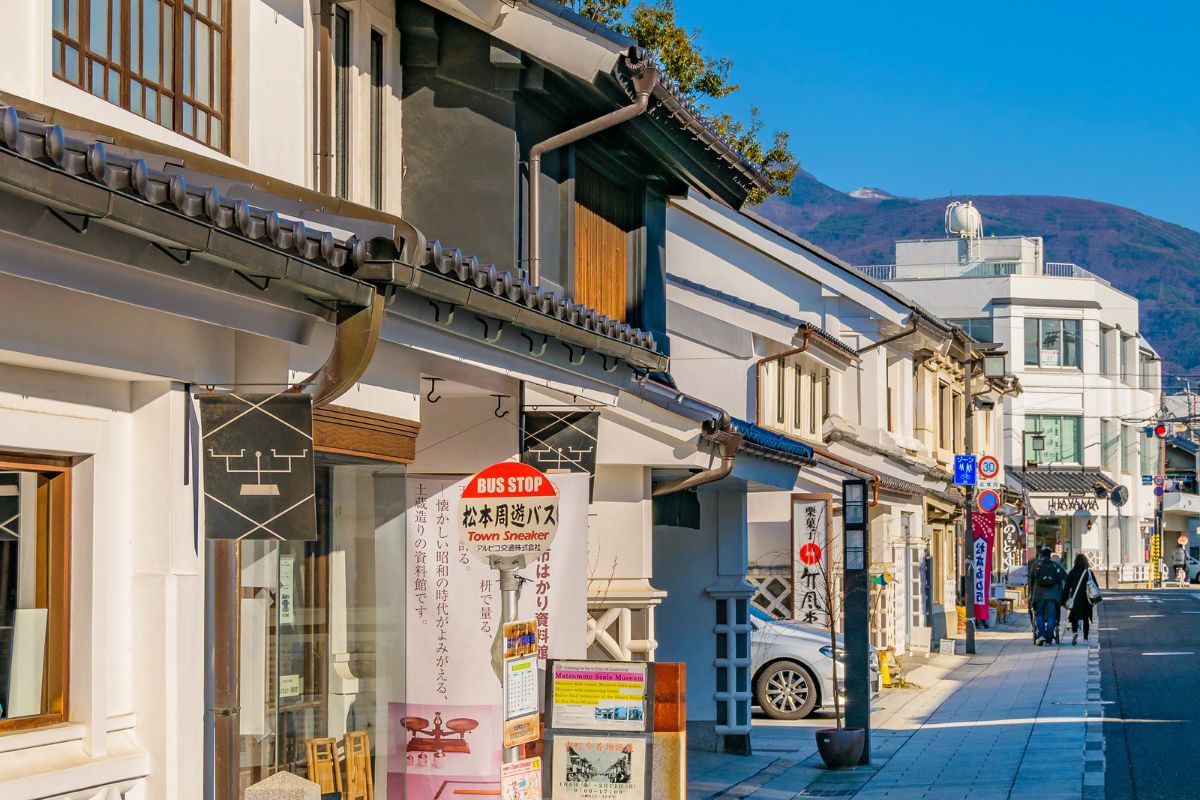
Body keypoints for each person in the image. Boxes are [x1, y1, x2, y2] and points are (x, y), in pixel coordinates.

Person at [1029, 547, 1067, 645]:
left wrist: (1031, 593)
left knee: (1040, 614)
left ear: (1041, 555)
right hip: (1053, 595)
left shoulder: (1035, 565)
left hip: (1039, 595)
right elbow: (1065, 577)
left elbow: (1031, 581)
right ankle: (1049, 639)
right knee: (1051, 616)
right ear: (1050, 555)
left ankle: (1041, 635)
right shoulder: (1056, 566)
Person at [1064, 553, 1096, 645]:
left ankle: (1075, 632)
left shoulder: (1072, 572)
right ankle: (1085, 638)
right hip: (1086, 599)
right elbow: (1095, 586)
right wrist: (1094, 599)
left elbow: (1067, 587)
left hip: (1075, 599)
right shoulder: (1089, 572)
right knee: (1086, 619)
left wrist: (1064, 599)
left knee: (1074, 617)